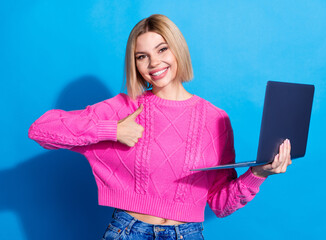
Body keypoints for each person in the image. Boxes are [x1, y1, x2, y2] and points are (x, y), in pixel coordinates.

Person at [28, 14, 291, 240]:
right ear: (135, 64)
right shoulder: (125, 108)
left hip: (187, 232)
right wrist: (113, 130)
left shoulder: (216, 118)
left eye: (162, 49)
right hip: (128, 230)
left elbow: (221, 204)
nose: (154, 63)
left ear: (178, 49)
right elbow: (40, 130)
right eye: (142, 56)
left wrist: (259, 173)